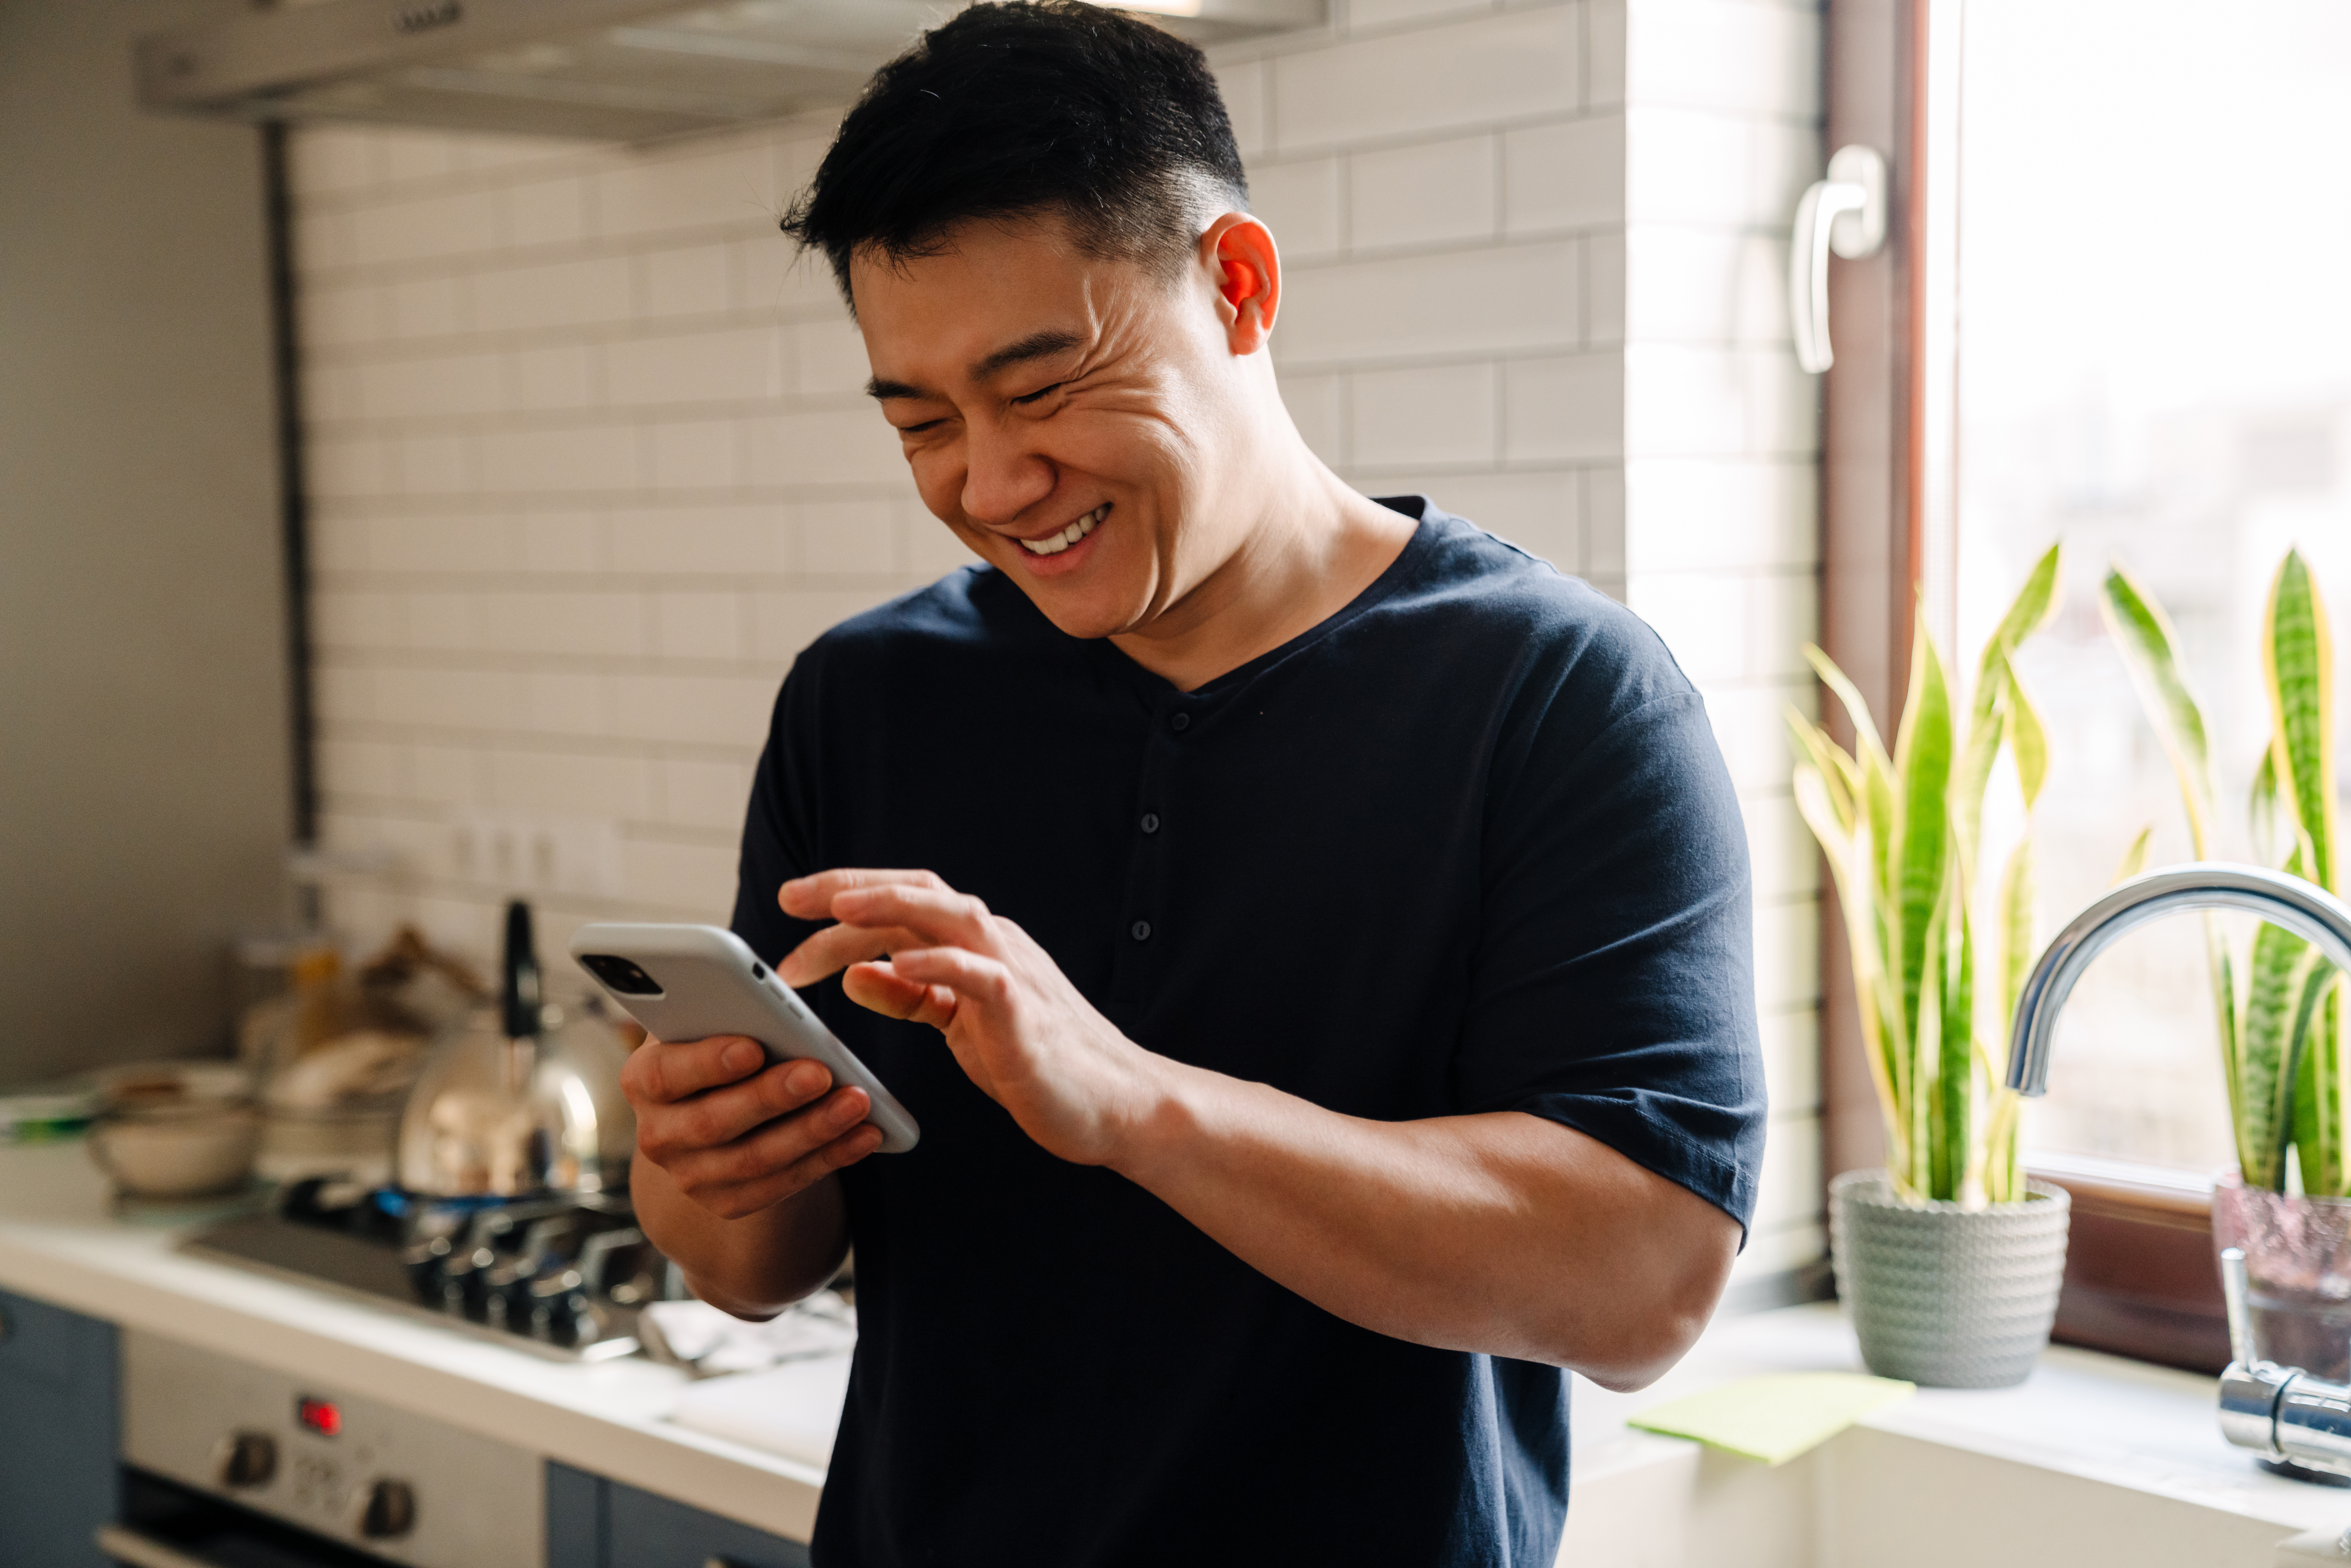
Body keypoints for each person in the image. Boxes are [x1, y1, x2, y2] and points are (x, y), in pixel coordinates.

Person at [619, 4, 1763, 1561]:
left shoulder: (1562, 696)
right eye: (924, 421)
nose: (992, 484)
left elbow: (1648, 1285)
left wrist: (1135, 1103)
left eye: (1041, 389)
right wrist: (704, 1160)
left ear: (1238, 285)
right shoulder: (863, 696)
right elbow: (752, 1265)